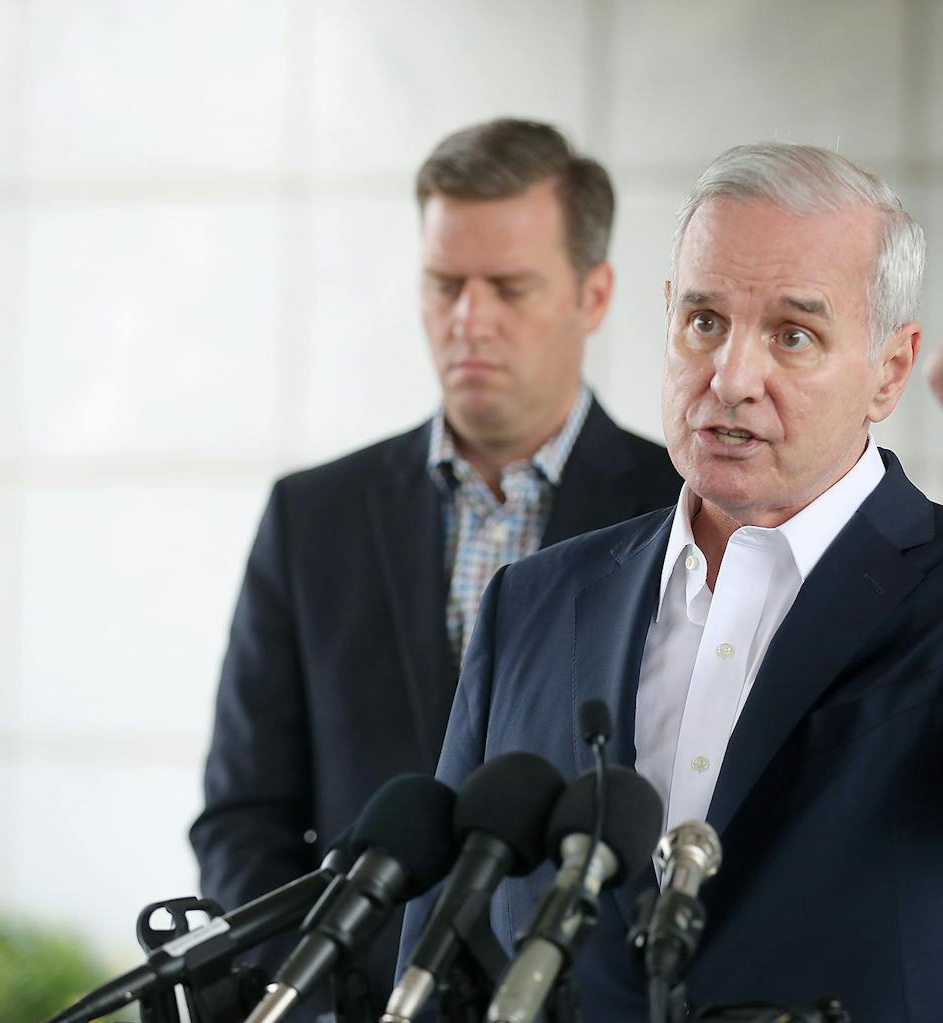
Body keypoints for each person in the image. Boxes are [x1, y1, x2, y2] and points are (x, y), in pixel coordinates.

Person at [397, 144, 943, 1021]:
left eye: (793, 334)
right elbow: (444, 948)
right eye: (704, 321)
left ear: (889, 370)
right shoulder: (534, 604)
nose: (733, 378)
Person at [190, 119, 681, 1010]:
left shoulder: (682, 506)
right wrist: (305, 994)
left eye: (510, 287)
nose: (469, 320)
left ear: (594, 294)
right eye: (445, 284)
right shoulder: (312, 518)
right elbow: (243, 811)